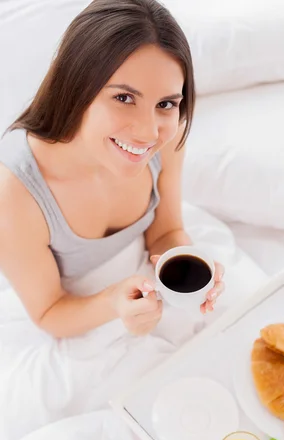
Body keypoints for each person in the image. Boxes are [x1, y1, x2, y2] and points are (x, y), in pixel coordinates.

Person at [0, 0, 224, 341]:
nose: (149, 133)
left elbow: (165, 232)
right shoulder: (14, 193)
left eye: (165, 104)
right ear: (77, 86)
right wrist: (113, 302)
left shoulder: (169, 135)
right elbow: (48, 311)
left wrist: (189, 266)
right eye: (124, 98)